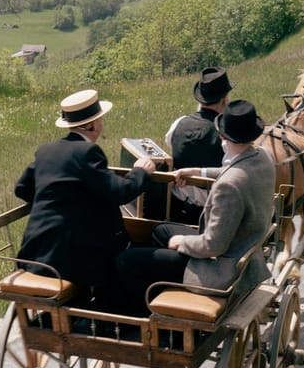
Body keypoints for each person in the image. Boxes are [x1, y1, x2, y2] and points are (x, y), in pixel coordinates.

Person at [115, 99, 276, 312]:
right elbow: (234, 171)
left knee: (127, 260)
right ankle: (165, 293)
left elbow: (213, 246)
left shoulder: (229, 187)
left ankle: (143, 316)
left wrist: (182, 241)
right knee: (159, 230)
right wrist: (197, 172)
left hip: (221, 270)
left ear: (222, 136)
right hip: (243, 250)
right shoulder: (262, 158)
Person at [14, 89, 156, 304]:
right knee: (122, 249)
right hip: (69, 258)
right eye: (100, 118)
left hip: (35, 251)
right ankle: (111, 310)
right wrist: (141, 171)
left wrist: (60, 201)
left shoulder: (46, 150)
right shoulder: (87, 152)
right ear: (93, 124)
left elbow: (22, 189)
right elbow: (119, 192)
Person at [164, 67, 233, 223]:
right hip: (211, 215)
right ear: (225, 100)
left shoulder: (178, 124)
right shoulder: (226, 135)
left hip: (176, 209)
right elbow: (230, 172)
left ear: (200, 99)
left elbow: (170, 144)